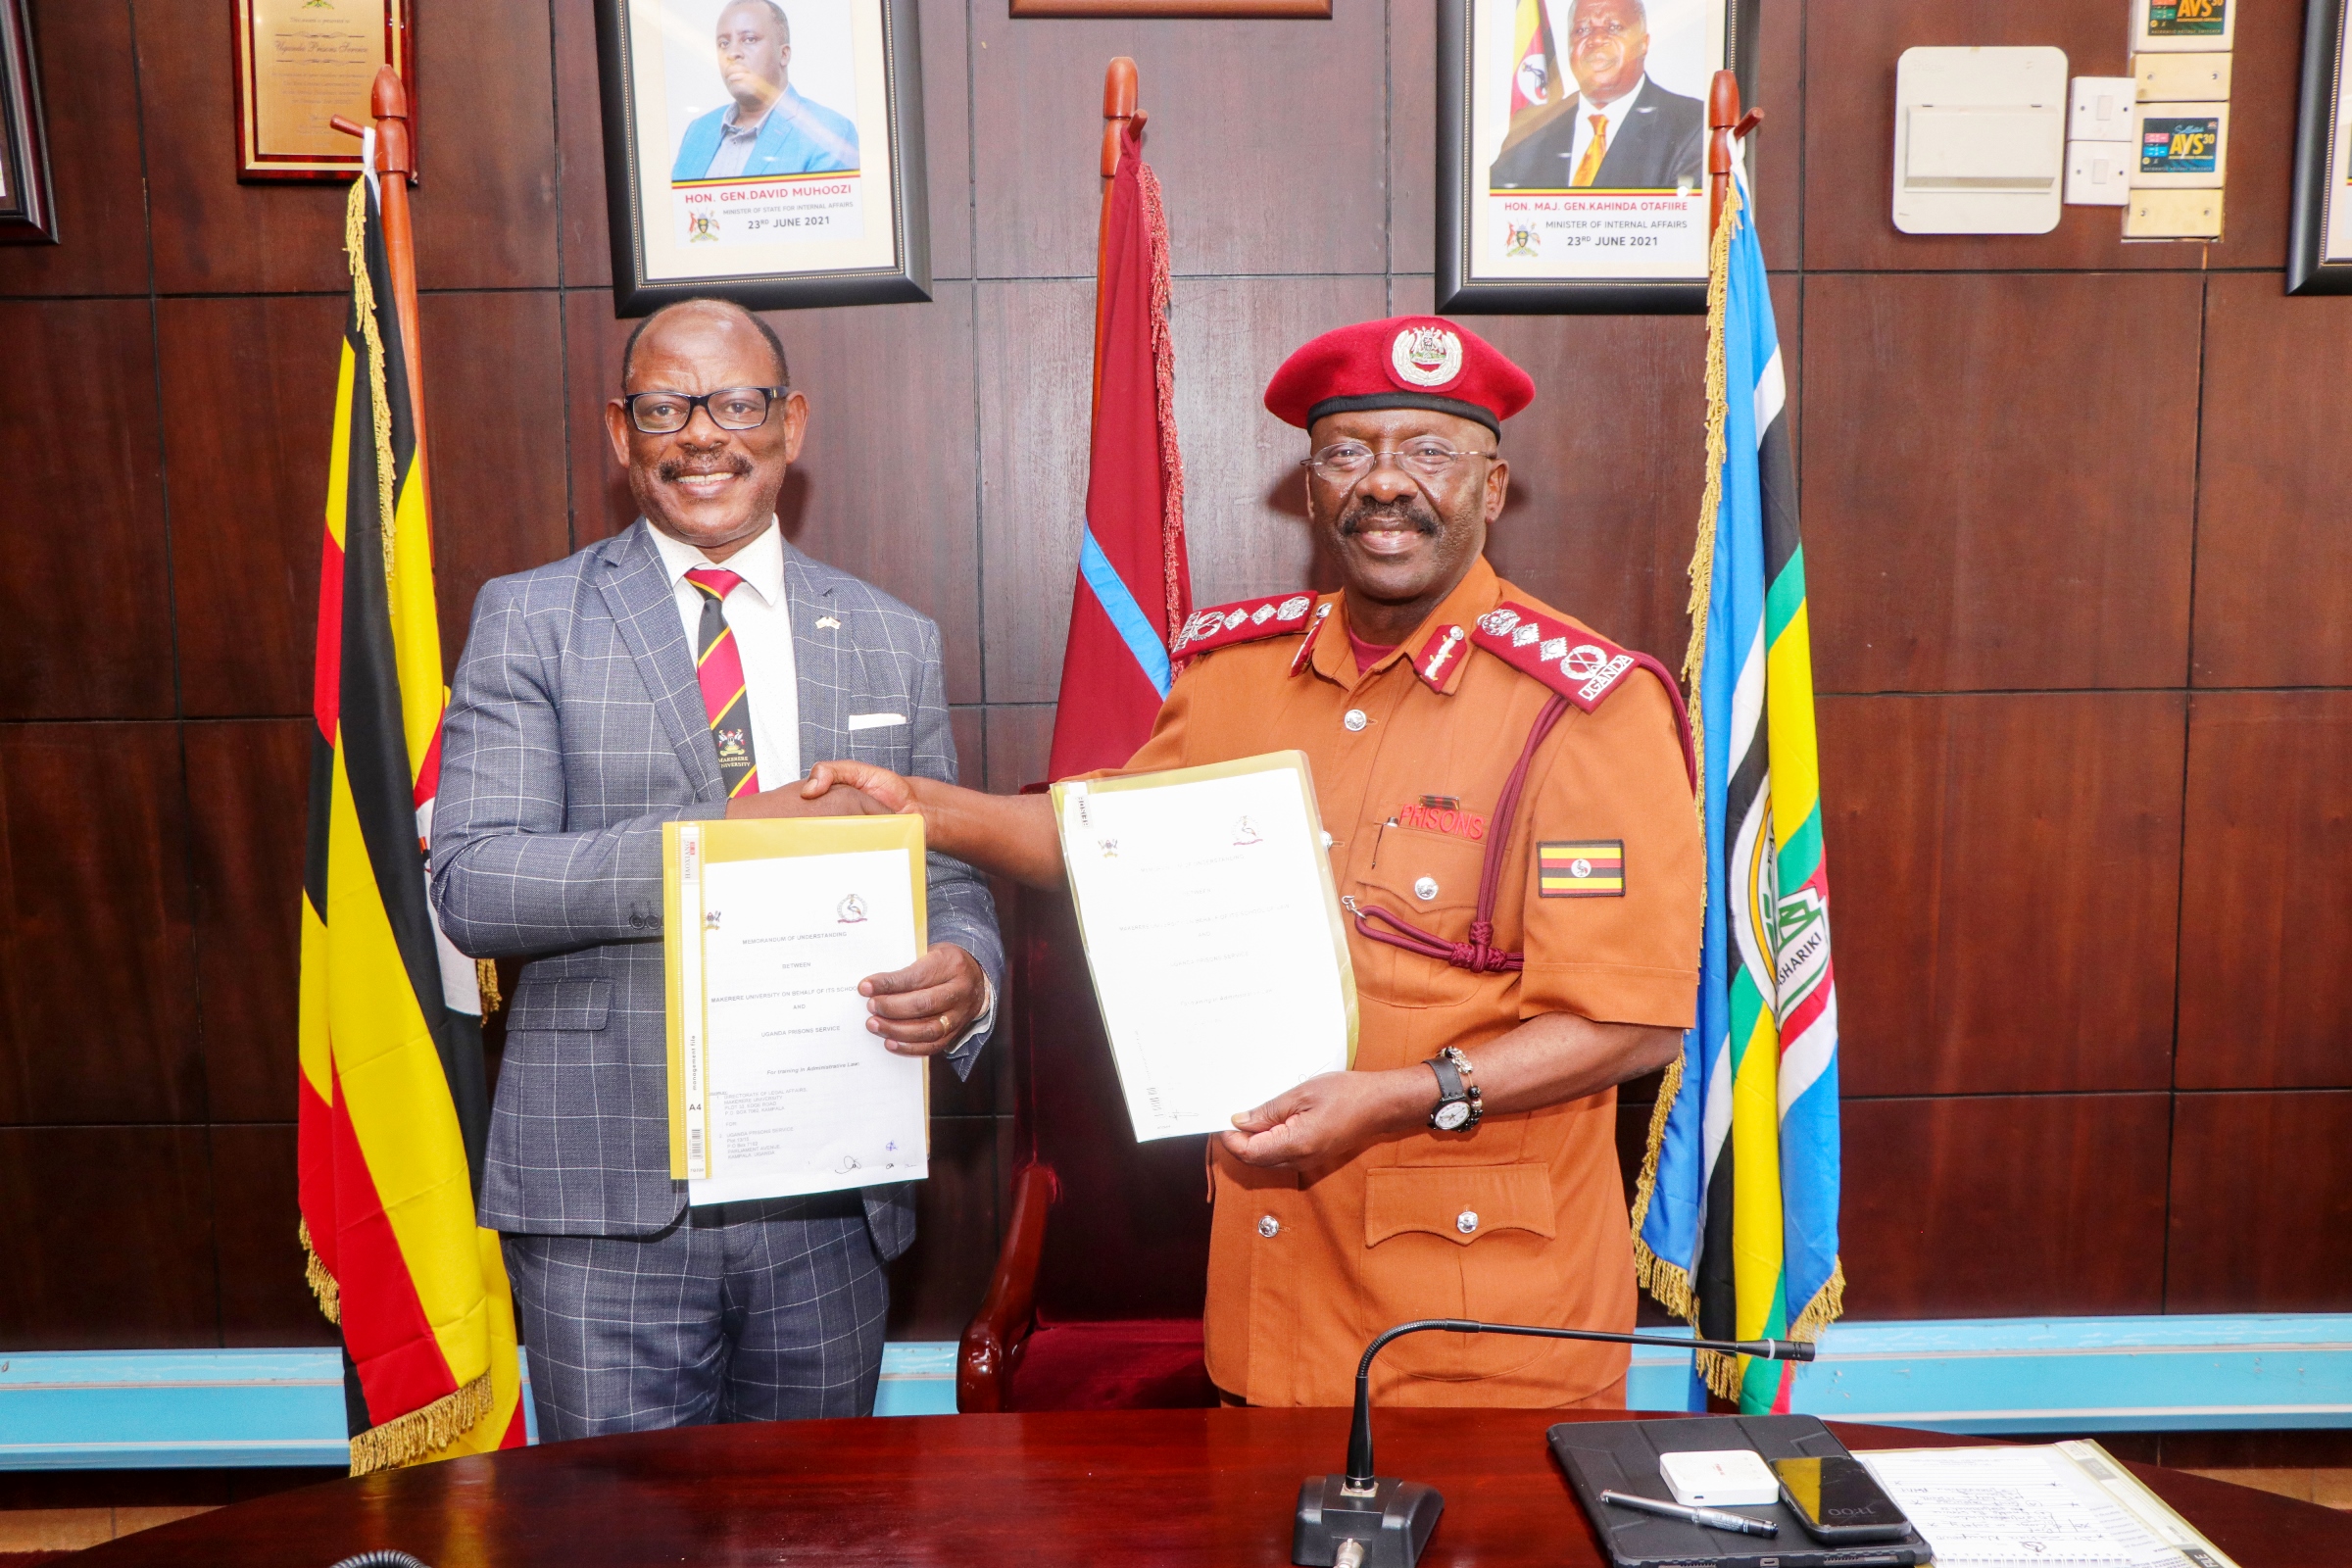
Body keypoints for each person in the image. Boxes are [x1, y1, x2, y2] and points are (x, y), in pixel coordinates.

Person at [802, 317, 1703, 1409]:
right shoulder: (1236, 674)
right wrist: (923, 808)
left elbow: (1634, 1019)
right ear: (1311, 490)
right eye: (1346, 452)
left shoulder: (1585, 707)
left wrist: (1403, 1094)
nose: (1384, 483)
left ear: (1493, 486)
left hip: (1479, 1328)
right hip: (1271, 1297)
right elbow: (1105, 843)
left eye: (1428, 450)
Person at [429, 297, 1002, 1438]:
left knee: (817, 1534)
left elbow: (950, 874)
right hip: (607, 1198)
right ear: (619, 432)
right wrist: (726, 843)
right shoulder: (530, 618)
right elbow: (476, 882)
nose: (703, 434)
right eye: (664, 406)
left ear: (790, 424)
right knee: (616, 1541)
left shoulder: (893, 635)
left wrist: (970, 977)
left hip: (829, 1198)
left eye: (737, 402)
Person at [1490, 0, 1704, 192]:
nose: (1597, 39)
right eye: (1582, 30)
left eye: (1614, 27)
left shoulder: (1692, 125)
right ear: (1569, 45)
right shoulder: (1532, 128)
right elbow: (1490, 217)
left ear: (1643, 43)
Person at [671, 0, 859, 181]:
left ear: (784, 54)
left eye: (749, 39)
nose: (732, 53)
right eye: (723, 44)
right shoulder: (698, 131)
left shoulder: (828, 133)